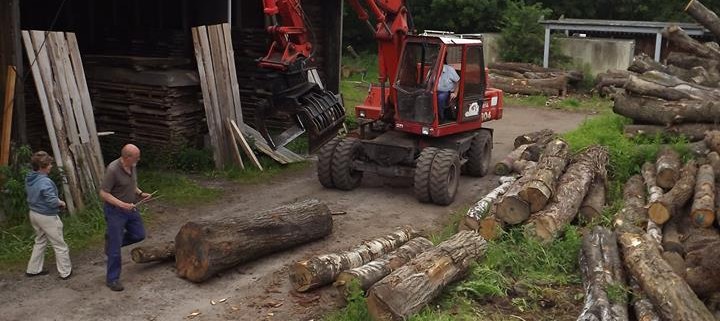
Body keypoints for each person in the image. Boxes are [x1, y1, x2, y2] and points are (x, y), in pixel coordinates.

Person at [99, 144, 151, 291]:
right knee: (115, 249)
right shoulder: (113, 170)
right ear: (127, 157)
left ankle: (111, 243)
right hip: (115, 211)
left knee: (139, 234)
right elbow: (103, 193)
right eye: (136, 157)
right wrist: (121, 204)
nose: (138, 160)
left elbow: (130, 185)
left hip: (131, 208)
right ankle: (112, 279)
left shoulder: (132, 165)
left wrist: (140, 194)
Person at [25, 151, 72, 280]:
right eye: (49, 164)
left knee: (40, 241)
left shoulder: (30, 178)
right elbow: (51, 200)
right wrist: (61, 203)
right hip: (46, 216)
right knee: (59, 244)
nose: (51, 166)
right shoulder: (44, 182)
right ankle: (65, 272)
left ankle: (33, 269)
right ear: (42, 167)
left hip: (34, 213)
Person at [437, 58, 460, 122]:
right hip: (434, 91)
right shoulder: (433, 70)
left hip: (446, 92)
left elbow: (458, 81)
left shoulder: (449, 70)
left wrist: (455, 93)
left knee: (440, 98)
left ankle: (440, 118)